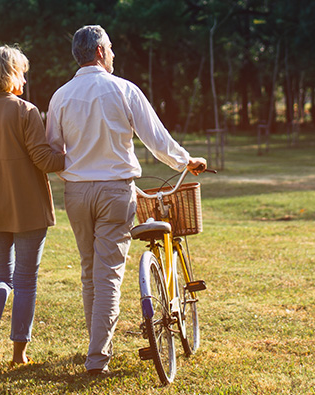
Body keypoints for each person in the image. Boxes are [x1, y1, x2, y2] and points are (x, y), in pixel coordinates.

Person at [45, 25, 207, 376]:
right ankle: (97, 358)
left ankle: (95, 346)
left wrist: (71, 173)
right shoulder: (123, 89)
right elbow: (157, 139)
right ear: (100, 52)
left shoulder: (60, 96)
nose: (115, 54)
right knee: (108, 276)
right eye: (112, 48)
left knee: (90, 271)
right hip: (115, 191)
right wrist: (185, 161)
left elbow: (53, 150)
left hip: (76, 193)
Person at [0, 45, 65, 369]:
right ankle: (19, 354)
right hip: (28, 209)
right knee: (25, 281)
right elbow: (44, 160)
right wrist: (80, 154)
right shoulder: (26, 111)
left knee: (0, 276)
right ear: (13, 74)